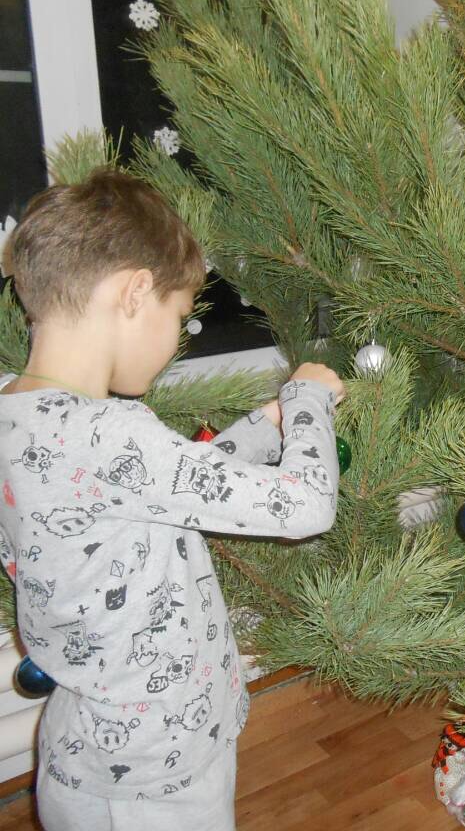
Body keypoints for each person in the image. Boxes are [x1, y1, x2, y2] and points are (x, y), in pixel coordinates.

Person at [0, 169, 346, 831]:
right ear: (135, 293)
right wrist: (305, 402)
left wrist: (262, 428)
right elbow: (305, 506)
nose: (177, 338)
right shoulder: (108, 432)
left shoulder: (21, 411)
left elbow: (153, 494)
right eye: (179, 315)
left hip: (82, 751)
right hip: (157, 775)